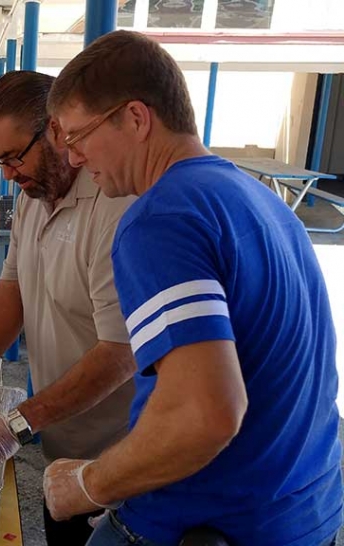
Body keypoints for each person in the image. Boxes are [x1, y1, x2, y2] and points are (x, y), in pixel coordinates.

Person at [42, 30, 342, 546]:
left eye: (77, 136)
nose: (72, 159)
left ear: (136, 118)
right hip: (306, 510)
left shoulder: (159, 219)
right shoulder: (263, 200)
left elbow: (204, 413)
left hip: (206, 524)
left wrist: (88, 485)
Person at [0, 70, 137, 545]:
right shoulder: (33, 194)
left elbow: (120, 353)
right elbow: (13, 284)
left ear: (55, 128)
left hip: (122, 463)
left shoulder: (116, 206)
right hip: (63, 446)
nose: (6, 174)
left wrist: (17, 422)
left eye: (13, 157)